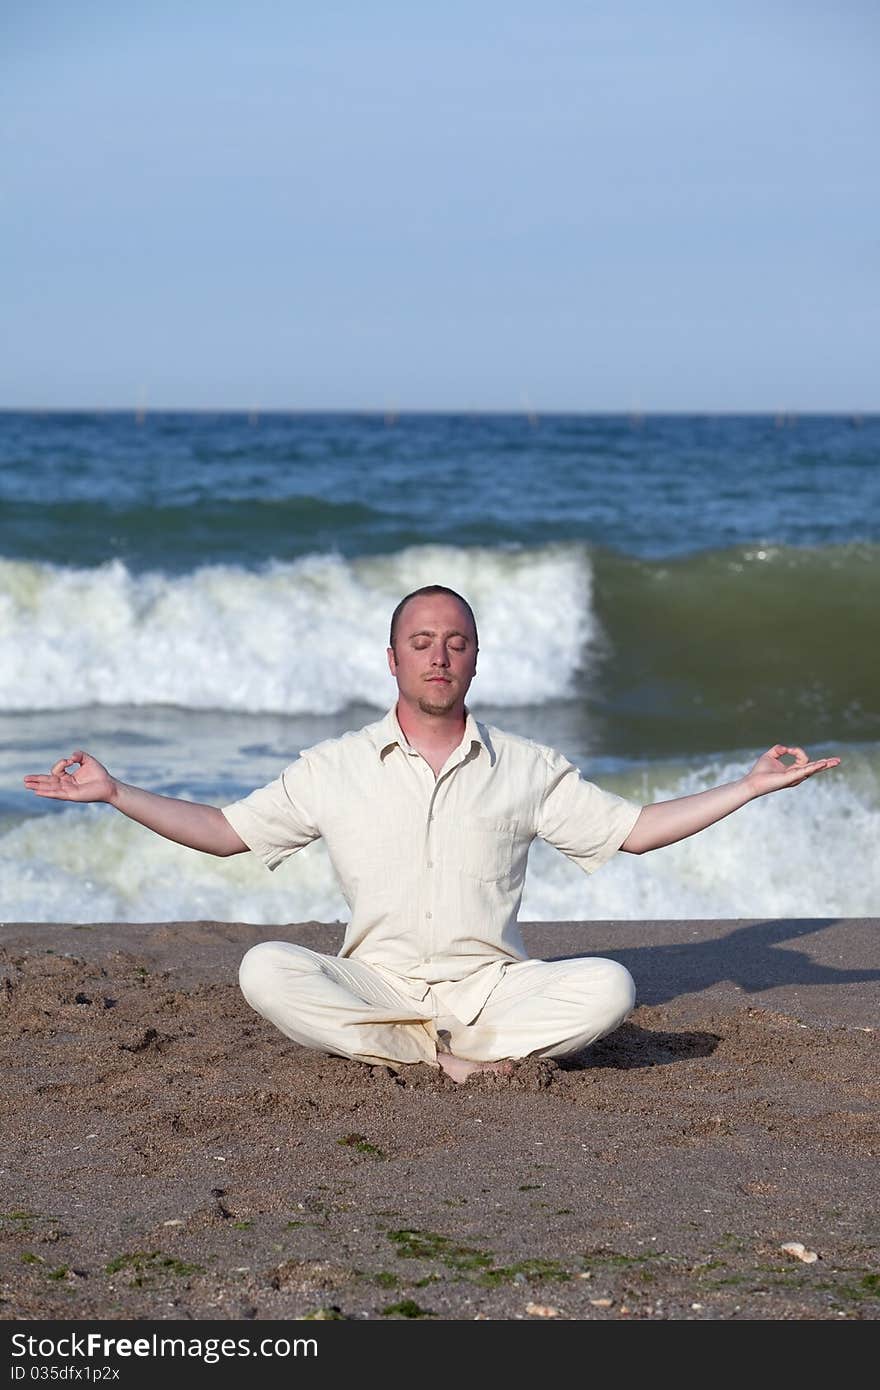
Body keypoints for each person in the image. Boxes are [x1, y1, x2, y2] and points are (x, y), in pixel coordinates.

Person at [24, 584, 840, 1083]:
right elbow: (224, 831)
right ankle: (443, 1056)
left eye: (455, 643)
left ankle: (421, 1051)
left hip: (491, 988)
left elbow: (634, 831)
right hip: (375, 980)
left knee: (612, 988)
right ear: (394, 660)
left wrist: (749, 785)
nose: (438, 657)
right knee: (266, 968)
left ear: (475, 660)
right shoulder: (335, 765)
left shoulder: (525, 767)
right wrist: (114, 791)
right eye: (422, 643)